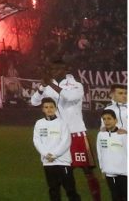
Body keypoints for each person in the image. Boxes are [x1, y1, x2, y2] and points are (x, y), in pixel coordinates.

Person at [32, 60, 103, 200]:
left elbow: (70, 97)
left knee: (87, 170)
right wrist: (41, 88)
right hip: (58, 135)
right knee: (60, 171)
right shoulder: (48, 85)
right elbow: (34, 102)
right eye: (53, 69)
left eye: (59, 68)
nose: (55, 71)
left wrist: (51, 84)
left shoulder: (76, 85)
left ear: (66, 70)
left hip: (77, 133)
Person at [37, 98, 82, 201]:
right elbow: (37, 141)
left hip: (63, 162)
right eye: (46, 107)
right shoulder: (39, 123)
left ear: (56, 109)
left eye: (51, 107)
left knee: (70, 190)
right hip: (48, 163)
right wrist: (45, 154)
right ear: (42, 109)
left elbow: (66, 141)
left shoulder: (62, 123)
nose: (49, 109)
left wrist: (54, 155)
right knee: (53, 190)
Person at [97, 109, 127, 201]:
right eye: (104, 119)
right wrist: (102, 168)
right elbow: (99, 152)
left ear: (115, 120)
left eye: (109, 118)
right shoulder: (101, 135)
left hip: (124, 172)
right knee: (115, 196)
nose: (106, 121)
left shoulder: (123, 135)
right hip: (109, 173)